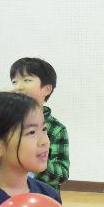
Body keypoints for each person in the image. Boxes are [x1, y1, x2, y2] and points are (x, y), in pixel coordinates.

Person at [10, 57, 69, 197]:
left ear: (47, 89)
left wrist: (33, 160)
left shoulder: (55, 128)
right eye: (14, 81)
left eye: (27, 80)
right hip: (8, 197)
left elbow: (61, 174)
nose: (19, 86)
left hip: (42, 200)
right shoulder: (6, 122)